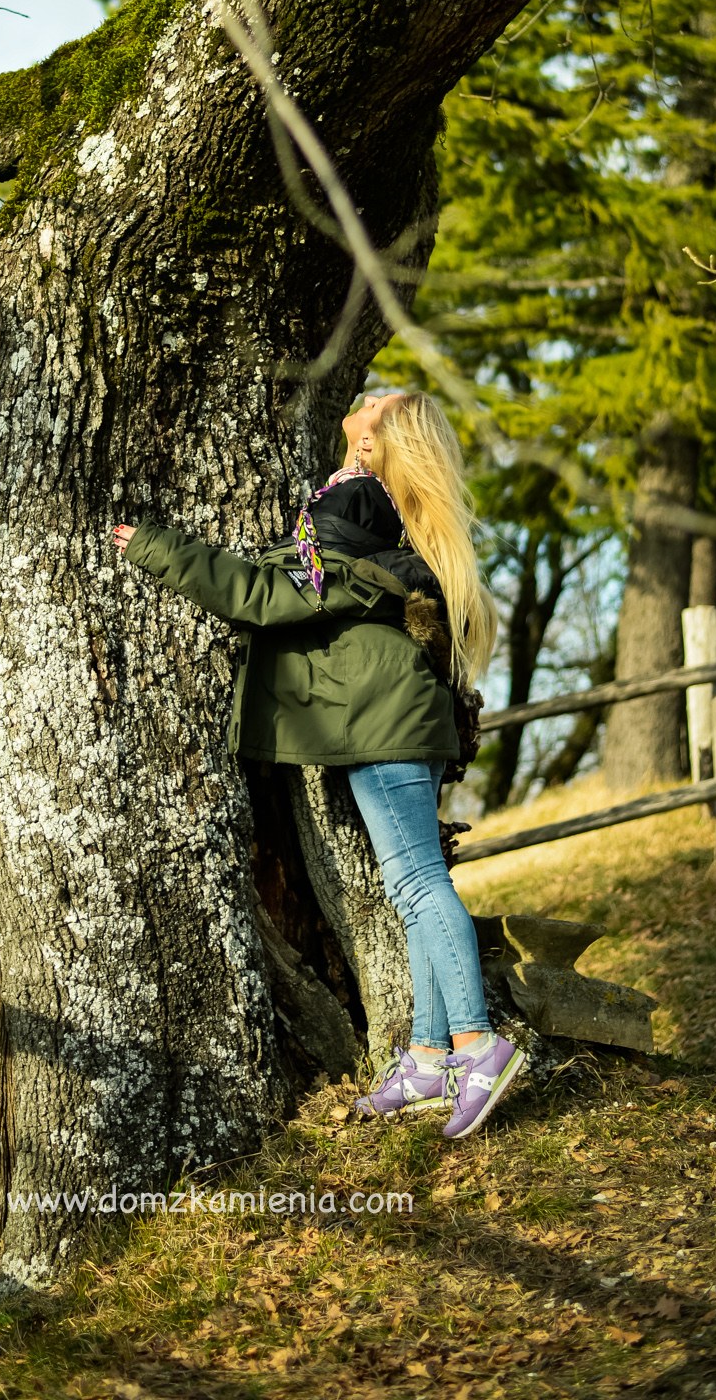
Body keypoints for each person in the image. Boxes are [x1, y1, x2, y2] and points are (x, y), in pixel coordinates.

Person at [113, 389, 526, 1142]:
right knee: (409, 890)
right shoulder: (366, 502)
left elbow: (270, 595)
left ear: (381, 438)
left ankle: (476, 1044)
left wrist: (156, 547)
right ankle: (430, 1058)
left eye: (378, 401)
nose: (363, 397)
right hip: (388, 715)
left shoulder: (355, 501)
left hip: (382, 720)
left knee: (415, 884)